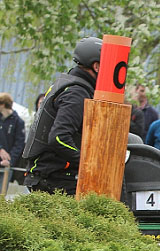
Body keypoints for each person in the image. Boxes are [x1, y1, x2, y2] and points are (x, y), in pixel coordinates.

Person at [22, 37, 103, 195]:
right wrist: (88, 165)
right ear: (97, 66)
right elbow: (59, 137)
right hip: (54, 180)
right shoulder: (77, 93)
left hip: (48, 176)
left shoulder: (69, 85)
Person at [0, 93, 26, 170]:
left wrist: (10, 160)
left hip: (6, 166)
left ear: (3, 104)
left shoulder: (18, 122)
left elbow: (19, 144)